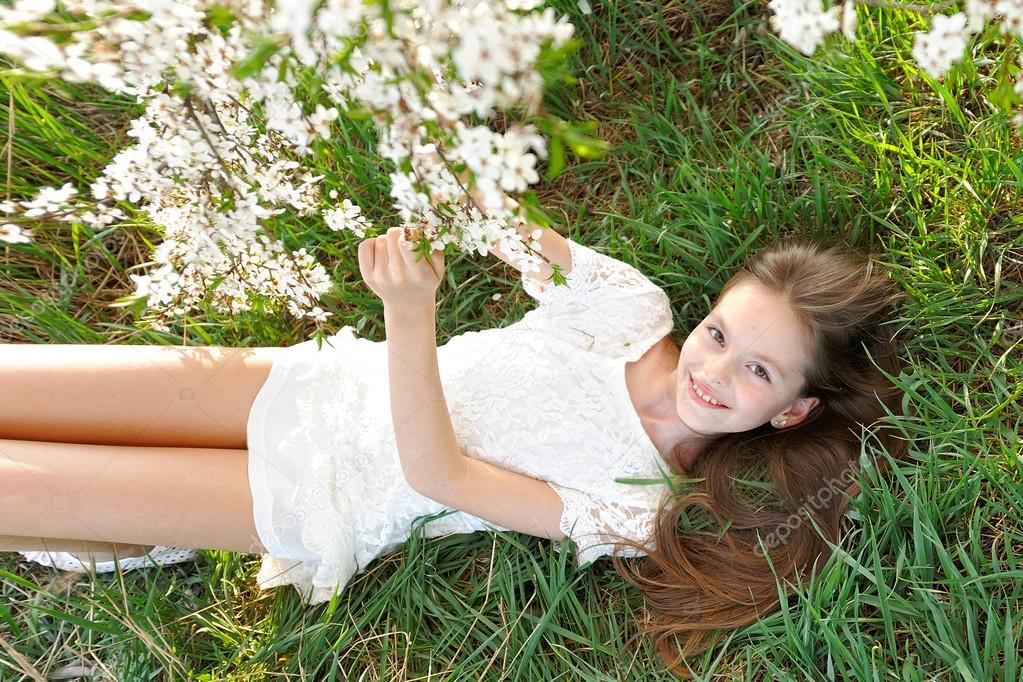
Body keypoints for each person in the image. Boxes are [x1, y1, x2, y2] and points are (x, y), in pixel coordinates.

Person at [3, 226, 906, 670]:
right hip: (313, 381)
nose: (712, 373)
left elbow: (438, 474)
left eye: (758, 373)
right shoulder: (627, 314)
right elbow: (489, 214)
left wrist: (409, 313)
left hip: (321, 491)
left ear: (792, 412)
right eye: (718, 334)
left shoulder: (641, 506)